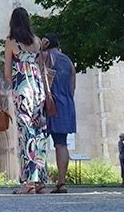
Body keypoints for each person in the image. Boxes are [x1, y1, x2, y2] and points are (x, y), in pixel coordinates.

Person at [4, 7, 48, 194]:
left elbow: (7, 72)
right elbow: (41, 66)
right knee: (39, 134)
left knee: (26, 134)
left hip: (22, 89)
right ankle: (40, 179)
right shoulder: (37, 41)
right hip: (38, 89)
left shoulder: (12, 43)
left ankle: (29, 182)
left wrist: (16, 82)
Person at [42, 33, 76, 194]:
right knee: (61, 143)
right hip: (66, 104)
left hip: (49, 103)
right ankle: (61, 182)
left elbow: (42, 79)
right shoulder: (68, 61)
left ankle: (38, 181)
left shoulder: (46, 56)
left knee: (39, 143)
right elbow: (72, 86)